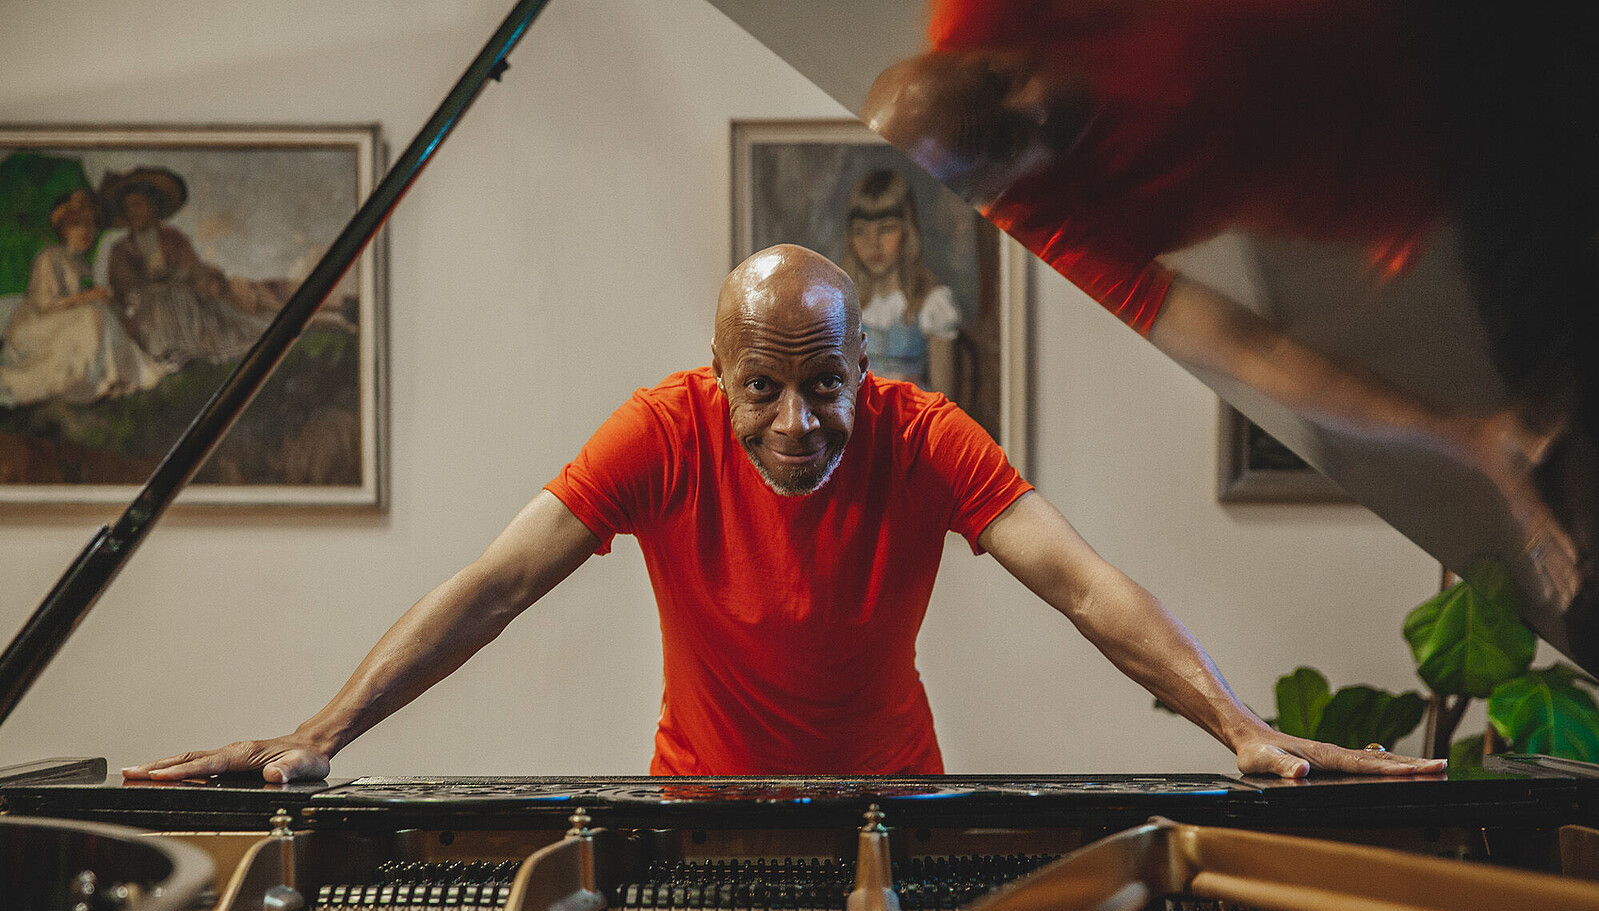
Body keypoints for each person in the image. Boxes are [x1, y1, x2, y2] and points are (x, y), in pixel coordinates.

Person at [124, 245, 1445, 783]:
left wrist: (1235, 727)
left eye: (826, 386)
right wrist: (320, 731)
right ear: (718, 381)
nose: (797, 423)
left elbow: (1088, 585)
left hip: (894, 808)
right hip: (689, 815)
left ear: (865, 371)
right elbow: (494, 582)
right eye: (762, 389)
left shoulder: (929, 440)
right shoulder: (656, 433)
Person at [863, 0, 1585, 609]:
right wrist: (1473, 439)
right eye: (1013, 138)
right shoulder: (1052, 230)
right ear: (987, 192)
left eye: (999, 76)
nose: (1038, 100)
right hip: (1435, 160)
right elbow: (1255, 353)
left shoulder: (981, 13)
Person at [0, 190, 168, 407]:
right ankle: (80, 383)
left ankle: (111, 376)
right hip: (34, 327)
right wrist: (84, 297)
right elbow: (44, 304)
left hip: (65, 322)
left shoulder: (81, 265)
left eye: (91, 224)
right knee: (91, 315)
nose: (87, 230)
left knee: (100, 312)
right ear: (63, 228)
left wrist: (101, 299)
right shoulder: (49, 257)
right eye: (77, 224)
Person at [97, 166, 276, 365]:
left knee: (199, 303)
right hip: (145, 309)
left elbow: (190, 268)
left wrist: (204, 275)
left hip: (184, 298)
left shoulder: (173, 238)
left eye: (138, 205)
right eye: (128, 208)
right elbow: (122, 285)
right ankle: (171, 353)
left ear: (152, 206)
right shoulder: (121, 249)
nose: (133, 212)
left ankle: (196, 350)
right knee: (160, 307)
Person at [840, 169, 962, 396]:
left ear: (907, 232)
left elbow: (943, 397)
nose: (872, 243)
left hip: (911, 423)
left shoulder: (931, 303)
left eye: (886, 229)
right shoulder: (845, 301)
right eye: (861, 231)